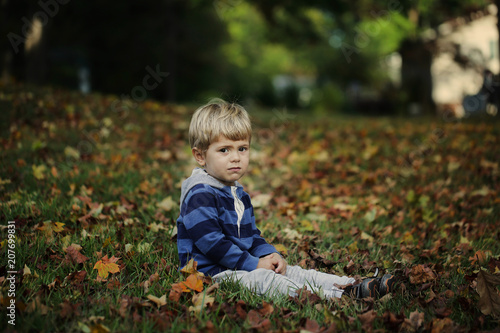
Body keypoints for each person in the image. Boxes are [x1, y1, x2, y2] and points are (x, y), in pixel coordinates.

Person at [176, 99, 395, 299]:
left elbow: (251, 236)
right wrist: (254, 264)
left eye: (242, 149)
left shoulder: (238, 193)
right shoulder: (200, 194)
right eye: (224, 150)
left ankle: (353, 285)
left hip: (240, 265)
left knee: (290, 271)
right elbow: (212, 243)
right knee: (266, 280)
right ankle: (336, 297)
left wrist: (269, 254)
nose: (236, 157)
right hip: (210, 274)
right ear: (200, 156)